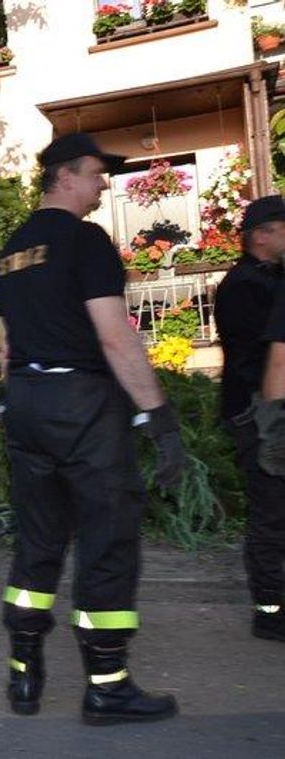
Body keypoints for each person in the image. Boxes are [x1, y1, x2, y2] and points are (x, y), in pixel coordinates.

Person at [0, 132, 185, 725]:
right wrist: (158, 415)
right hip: (83, 406)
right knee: (106, 540)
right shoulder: (85, 240)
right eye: (97, 174)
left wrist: (15, 405)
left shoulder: (11, 249)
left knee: (40, 539)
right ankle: (107, 684)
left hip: (25, 402)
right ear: (65, 176)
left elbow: (3, 344)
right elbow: (114, 334)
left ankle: (24, 672)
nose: (104, 184)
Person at [214, 195, 285, 644]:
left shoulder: (268, 279)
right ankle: (270, 610)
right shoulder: (244, 285)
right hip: (258, 415)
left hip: (267, 409)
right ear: (260, 235)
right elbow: (262, 356)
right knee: (271, 512)